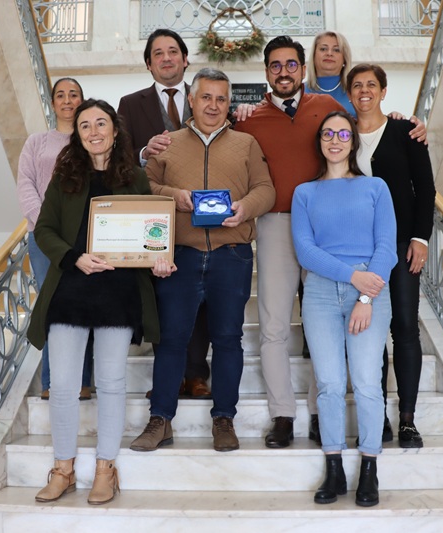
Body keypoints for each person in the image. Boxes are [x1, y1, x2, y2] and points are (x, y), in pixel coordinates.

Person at [234, 36, 425, 449]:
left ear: (302, 69)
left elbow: (365, 124)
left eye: (291, 64)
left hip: (328, 227)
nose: (283, 72)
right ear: (266, 72)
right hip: (277, 222)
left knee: (323, 326)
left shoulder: (326, 106)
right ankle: (283, 414)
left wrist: (402, 120)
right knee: (274, 325)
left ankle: (323, 411)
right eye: (275, 65)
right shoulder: (249, 117)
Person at [27, 99, 170, 506]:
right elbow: (44, 230)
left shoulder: (135, 177)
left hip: (118, 293)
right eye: (85, 125)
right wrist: (74, 257)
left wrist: (158, 260)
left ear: (115, 130)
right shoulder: (64, 177)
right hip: (70, 290)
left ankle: (106, 469)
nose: (93, 131)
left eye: (100, 123)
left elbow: (152, 233)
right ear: (77, 135)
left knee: (110, 383)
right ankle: (63, 469)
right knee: (63, 386)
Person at [129, 68, 275, 453]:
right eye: (206, 97)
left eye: (221, 98)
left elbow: (266, 189)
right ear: (191, 100)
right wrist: (172, 195)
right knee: (171, 340)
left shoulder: (246, 143)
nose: (213, 105)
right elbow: (144, 186)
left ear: (229, 103)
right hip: (180, 256)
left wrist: (245, 208)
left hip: (232, 256)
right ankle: (160, 420)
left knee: (228, 339)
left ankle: (224, 418)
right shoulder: (167, 143)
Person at [292, 109, 397, 507]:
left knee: (367, 382)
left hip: (370, 291)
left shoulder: (375, 187)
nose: (335, 140)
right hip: (321, 292)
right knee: (330, 383)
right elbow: (306, 251)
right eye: (327, 134)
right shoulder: (305, 193)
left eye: (342, 134)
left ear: (353, 141)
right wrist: (352, 277)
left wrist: (365, 296)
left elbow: (386, 246)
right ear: (319, 141)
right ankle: (333, 467)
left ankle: (369, 468)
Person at [118, 28, 211, 399]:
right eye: (158, 53)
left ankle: (196, 375)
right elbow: (119, 158)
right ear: (148, 63)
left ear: (186, 59)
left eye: (173, 51)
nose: (167, 58)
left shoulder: (205, 97)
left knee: (200, 296)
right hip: (152, 213)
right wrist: (144, 153)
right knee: (160, 296)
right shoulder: (129, 104)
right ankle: (169, 377)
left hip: (197, 213)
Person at [348, 63, 436, 449]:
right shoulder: (342, 134)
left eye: (371, 84)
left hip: (401, 245)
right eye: (357, 85)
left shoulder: (405, 132)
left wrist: (420, 237)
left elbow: (425, 188)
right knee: (370, 333)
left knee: (404, 327)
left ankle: (408, 420)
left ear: (383, 91)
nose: (364, 91)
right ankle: (377, 416)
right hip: (357, 249)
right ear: (349, 94)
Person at [17, 77, 95, 402]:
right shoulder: (36, 142)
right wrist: (45, 225)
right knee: (52, 305)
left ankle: (83, 381)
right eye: (60, 95)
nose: (67, 100)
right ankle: (51, 381)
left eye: (73, 94)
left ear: (82, 101)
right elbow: (26, 183)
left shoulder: (91, 140)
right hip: (43, 238)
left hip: (83, 237)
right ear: (52, 103)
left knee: (83, 305)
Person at [305, 31, 355, 116]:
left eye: (336, 50)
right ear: (314, 55)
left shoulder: (355, 91)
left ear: (345, 58)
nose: (329, 53)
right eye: (323, 49)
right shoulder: (298, 92)